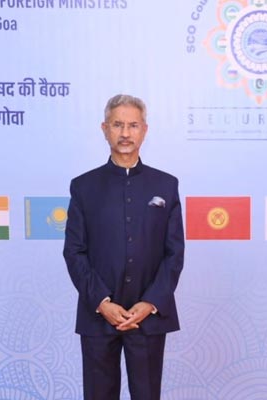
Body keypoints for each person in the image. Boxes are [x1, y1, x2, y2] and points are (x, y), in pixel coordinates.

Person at [63, 94, 184, 400]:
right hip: (98, 314)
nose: (125, 133)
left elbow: (174, 253)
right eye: (118, 125)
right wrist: (101, 302)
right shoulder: (84, 186)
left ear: (144, 129)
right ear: (105, 129)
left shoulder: (166, 185)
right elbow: (74, 251)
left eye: (132, 125)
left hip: (148, 316)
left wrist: (150, 303)